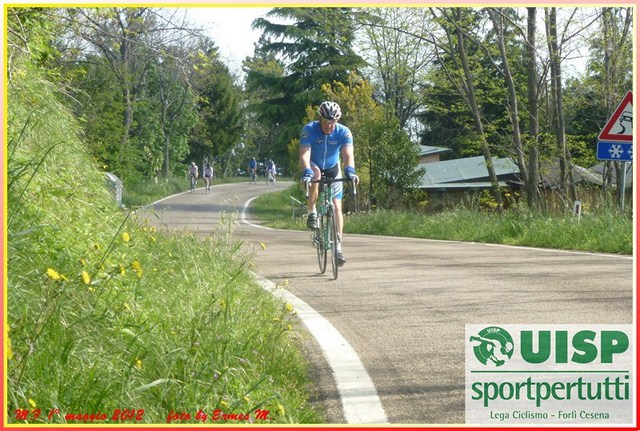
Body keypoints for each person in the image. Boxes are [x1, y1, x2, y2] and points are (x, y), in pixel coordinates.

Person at [299, 101, 359, 267]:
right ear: (320, 118)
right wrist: (306, 172)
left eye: (332, 122)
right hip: (314, 165)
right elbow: (304, 154)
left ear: (337, 121)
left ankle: (338, 248)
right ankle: (312, 211)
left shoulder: (344, 132)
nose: (328, 125)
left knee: (337, 206)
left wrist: (351, 171)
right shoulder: (309, 130)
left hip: (333, 168)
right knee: (315, 175)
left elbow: (348, 155)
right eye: (325, 121)